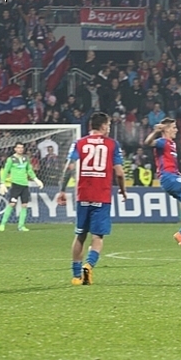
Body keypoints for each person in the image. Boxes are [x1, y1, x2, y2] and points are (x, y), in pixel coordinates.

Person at [56, 112, 127, 286]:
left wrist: (62, 190)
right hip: (101, 196)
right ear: (103, 126)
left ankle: (76, 276)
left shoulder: (79, 143)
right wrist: (123, 190)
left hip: (83, 195)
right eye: (108, 125)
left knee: (80, 235)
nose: (109, 128)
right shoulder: (112, 144)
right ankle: (88, 265)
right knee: (97, 237)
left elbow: (69, 167)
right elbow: (119, 173)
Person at [144, 118, 181, 250]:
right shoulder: (162, 142)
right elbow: (148, 143)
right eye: (173, 127)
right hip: (166, 177)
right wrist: (155, 131)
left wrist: (178, 173)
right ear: (166, 129)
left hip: (173, 175)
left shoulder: (172, 144)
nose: (176, 130)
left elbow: (169, 163)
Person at [0, 142, 44, 232]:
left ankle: (21, 226)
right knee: (12, 204)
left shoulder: (26, 158)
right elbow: (5, 171)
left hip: (25, 185)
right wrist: (2, 183)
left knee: (24, 205)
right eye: (18, 148)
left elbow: (29, 170)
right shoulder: (11, 159)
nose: (20, 149)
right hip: (15, 185)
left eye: (22, 148)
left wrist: (36, 180)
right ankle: (3, 224)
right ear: (15, 149)